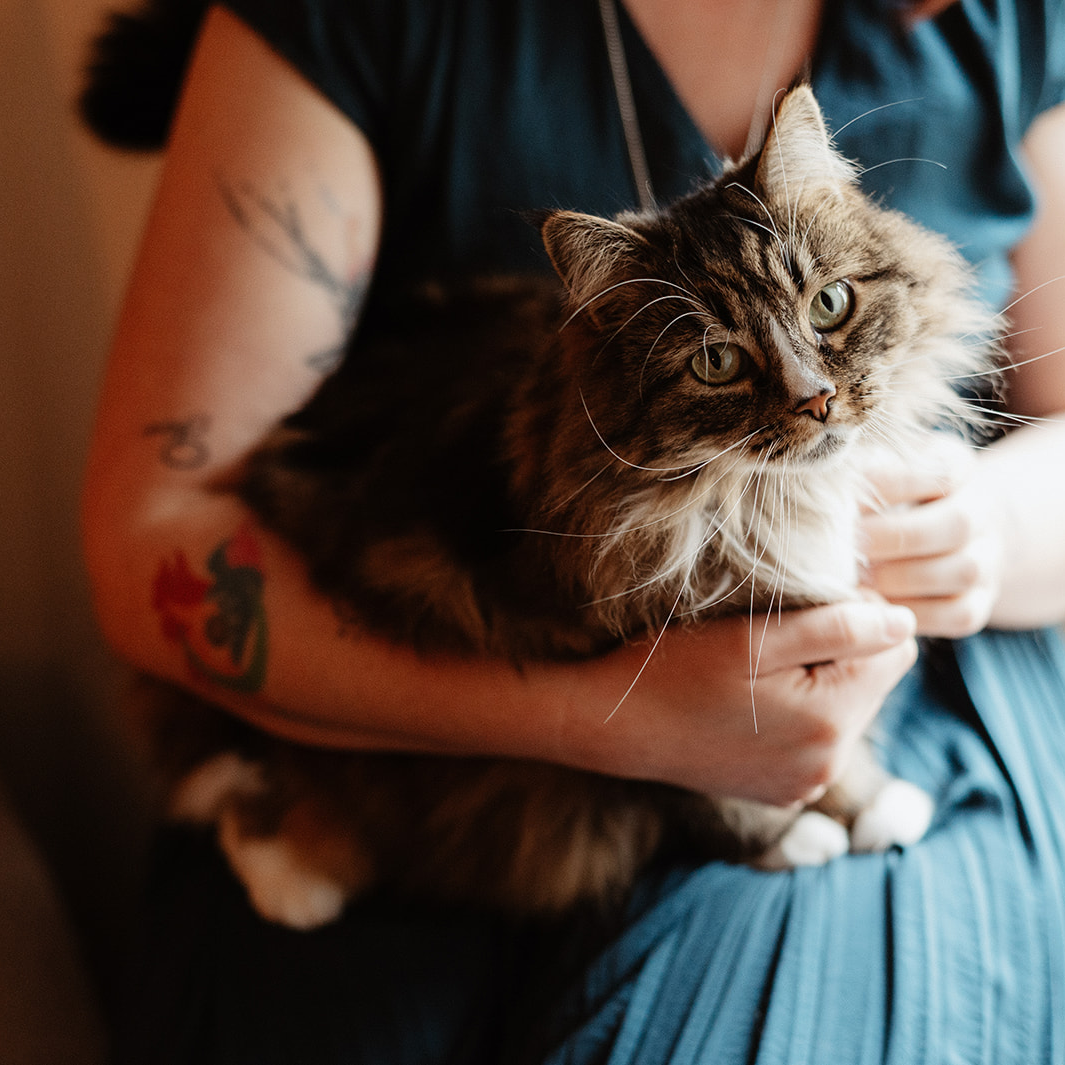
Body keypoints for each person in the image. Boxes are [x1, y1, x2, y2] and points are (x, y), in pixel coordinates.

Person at [81, 0, 1065, 1060]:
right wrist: (603, 719)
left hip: (928, 681)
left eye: (824, 316)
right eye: (732, 361)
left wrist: (989, 530)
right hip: (400, 716)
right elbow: (161, 531)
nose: (813, 395)